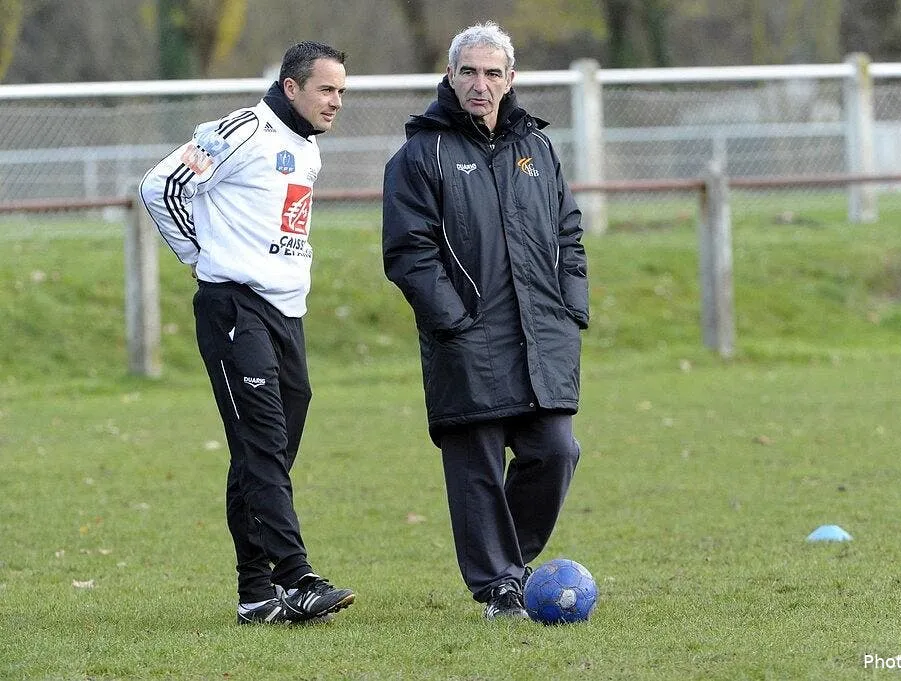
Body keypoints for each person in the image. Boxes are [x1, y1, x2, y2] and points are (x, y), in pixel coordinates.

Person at [139, 41, 356, 625]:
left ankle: (256, 596)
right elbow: (160, 187)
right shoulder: (240, 132)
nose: (337, 102)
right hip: (235, 308)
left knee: (263, 455)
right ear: (292, 87)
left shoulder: (306, 150)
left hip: (287, 314)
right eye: (326, 90)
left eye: (341, 91)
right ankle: (296, 578)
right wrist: (200, 256)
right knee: (261, 443)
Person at [381, 21, 589, 621]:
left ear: (510, 79)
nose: (480, 83)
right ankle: (498, 586)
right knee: (475, 468)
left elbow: (569, 233)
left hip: (541, 337)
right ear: (449, 76)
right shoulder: (422, 154)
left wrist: (570, 304)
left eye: (492, 73)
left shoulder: (537, 149)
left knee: (556, 450)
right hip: (466, 339)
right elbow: (408, 252)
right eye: (468, 71)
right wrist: (453, 320)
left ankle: (510, 565)